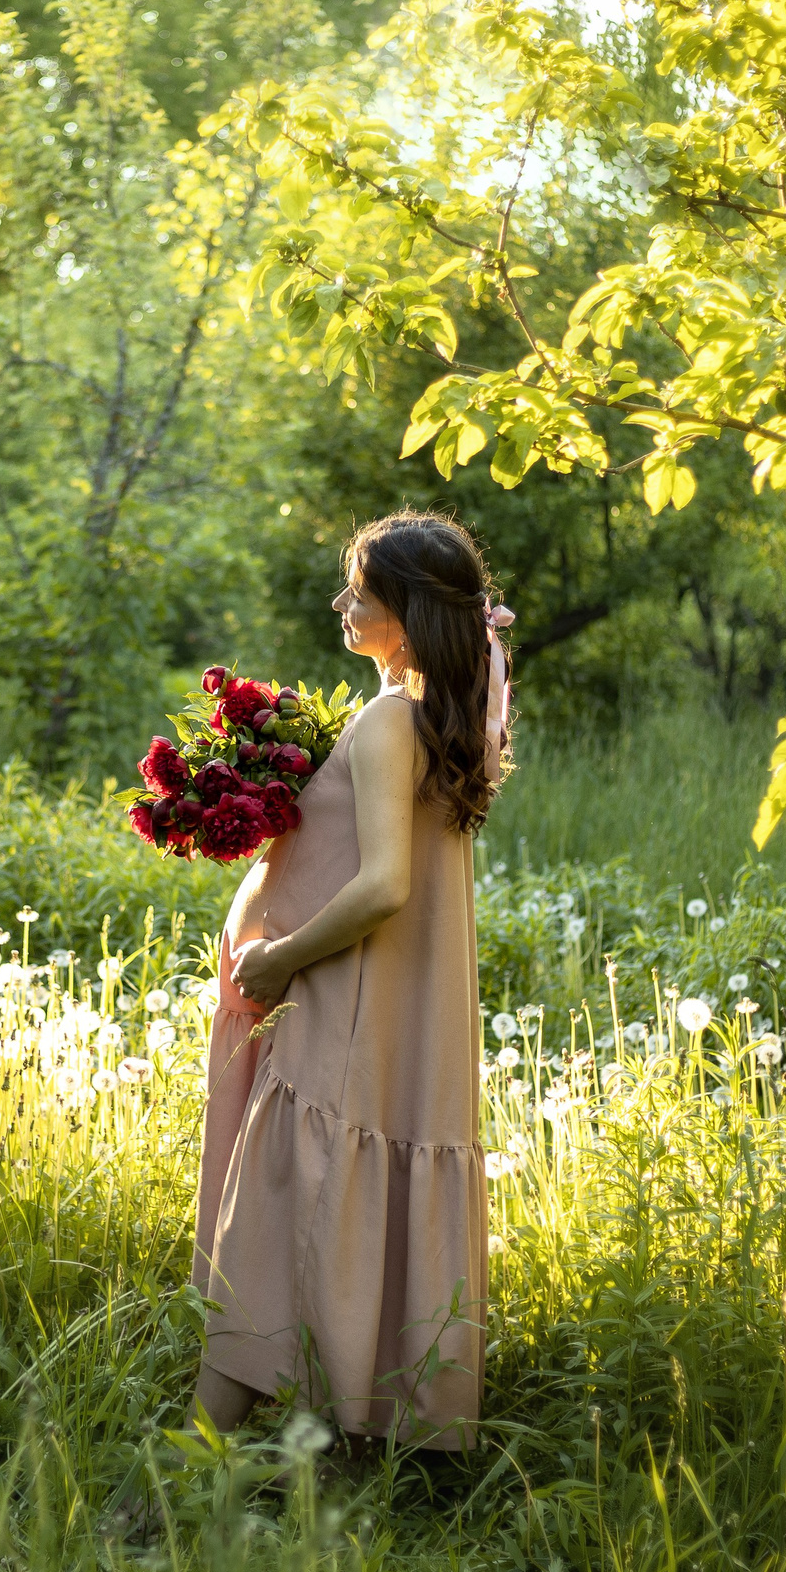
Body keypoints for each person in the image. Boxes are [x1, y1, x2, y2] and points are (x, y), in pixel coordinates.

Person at [189, 509, 510, 1451]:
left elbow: (383, 884)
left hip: (348, 1011)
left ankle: (178, 1477)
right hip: (395, 1023)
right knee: (328, 1218)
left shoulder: (385, 722)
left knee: (266, 1234)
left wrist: (281, 956)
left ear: (403, 617)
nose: (341, 602)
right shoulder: (441, 724)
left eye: (358, 591)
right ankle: (331, 1452)